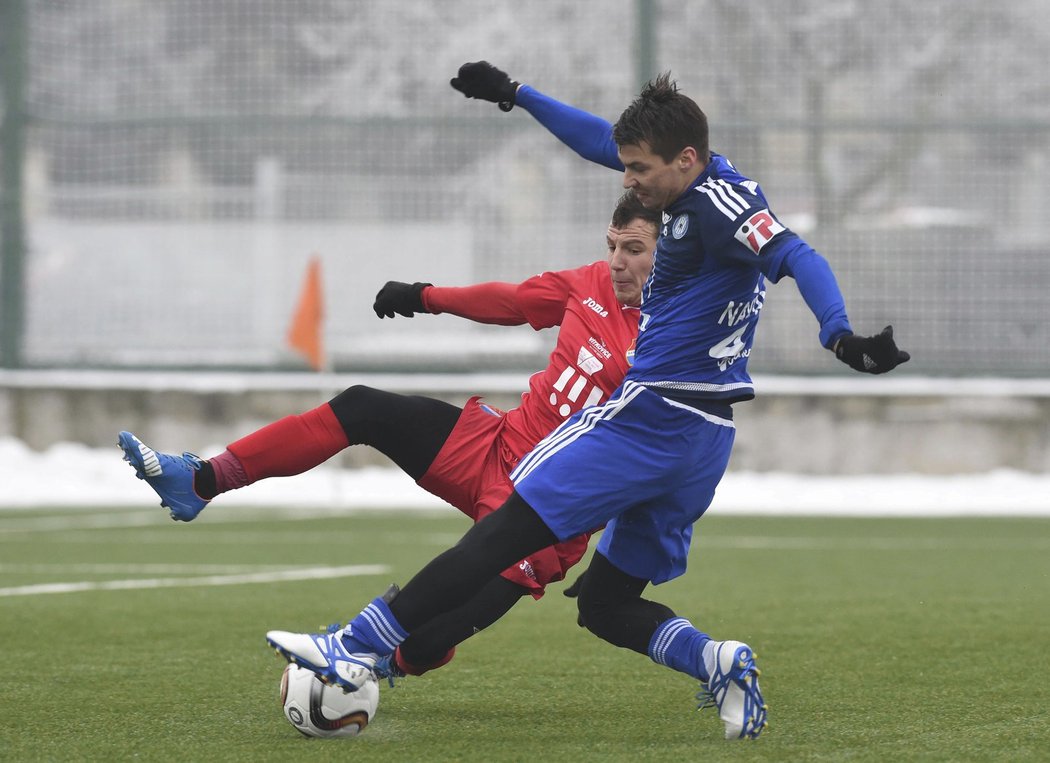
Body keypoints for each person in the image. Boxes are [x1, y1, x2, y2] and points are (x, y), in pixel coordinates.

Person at [265, 66, 910, 741]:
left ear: (684, 160)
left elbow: (795, 253)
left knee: (504, 529)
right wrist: (519, 96)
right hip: (704, 437)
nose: (627, 178)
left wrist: (837, 331)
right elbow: (601, 144)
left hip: (651, 415)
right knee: (604, 603)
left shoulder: (721, 208)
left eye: (639, 168)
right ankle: (717, 661)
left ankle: (355, 644)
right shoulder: (694, 179)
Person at [119, 190, 659, 679]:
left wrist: (618, 564)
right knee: (362, 407)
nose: (616, 261)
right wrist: (426, 296)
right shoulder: (589, 283)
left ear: (671, 252)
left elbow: (660, 461)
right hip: (493, 447)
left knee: (425, 639)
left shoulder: (678, 338)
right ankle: (202, 480)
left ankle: (379, 665)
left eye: (634, 249)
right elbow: (512, 301)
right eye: (613, 245)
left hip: (554, 506)